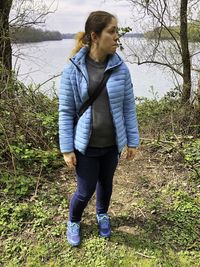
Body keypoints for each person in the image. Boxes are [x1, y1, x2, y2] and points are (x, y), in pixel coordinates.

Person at [58, 10, 140, 246]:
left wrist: (132, 141)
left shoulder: (121, 69)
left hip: (112, 144)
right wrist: (66, 149)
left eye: (117, 31)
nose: (117, 37)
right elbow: (65, 112)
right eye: (111, 31)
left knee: (107, 183)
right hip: (86, 146)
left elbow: (128, 108)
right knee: (84, 191)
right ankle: (73, 220)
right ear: (95, 36)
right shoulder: (73, 69)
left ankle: (102, 214)